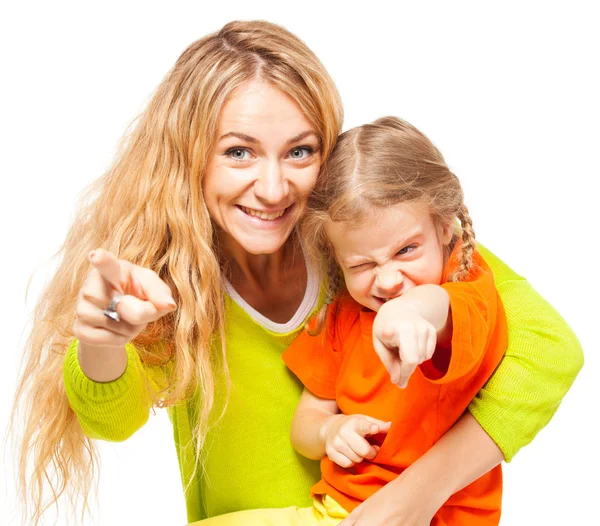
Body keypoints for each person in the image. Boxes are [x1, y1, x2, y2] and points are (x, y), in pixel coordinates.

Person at [10, 20, 583, 526]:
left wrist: (416, 496)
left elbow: (549, 349)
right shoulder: (176, 275)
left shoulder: (370, 238)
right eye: (238, 152)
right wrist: (102, 342)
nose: (274, 188)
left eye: (300, 151)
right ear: (189, 156)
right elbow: (111, 421)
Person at [190, 115, 509, 525]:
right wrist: (330, 432)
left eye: (407, 250)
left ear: (446, 227)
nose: (390, 280)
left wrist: (408, 313)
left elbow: (439, 309)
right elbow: (306, 423)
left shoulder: (466, 290)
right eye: (362, 264)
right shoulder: (341, 316)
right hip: (338, 512)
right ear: (337, 261)